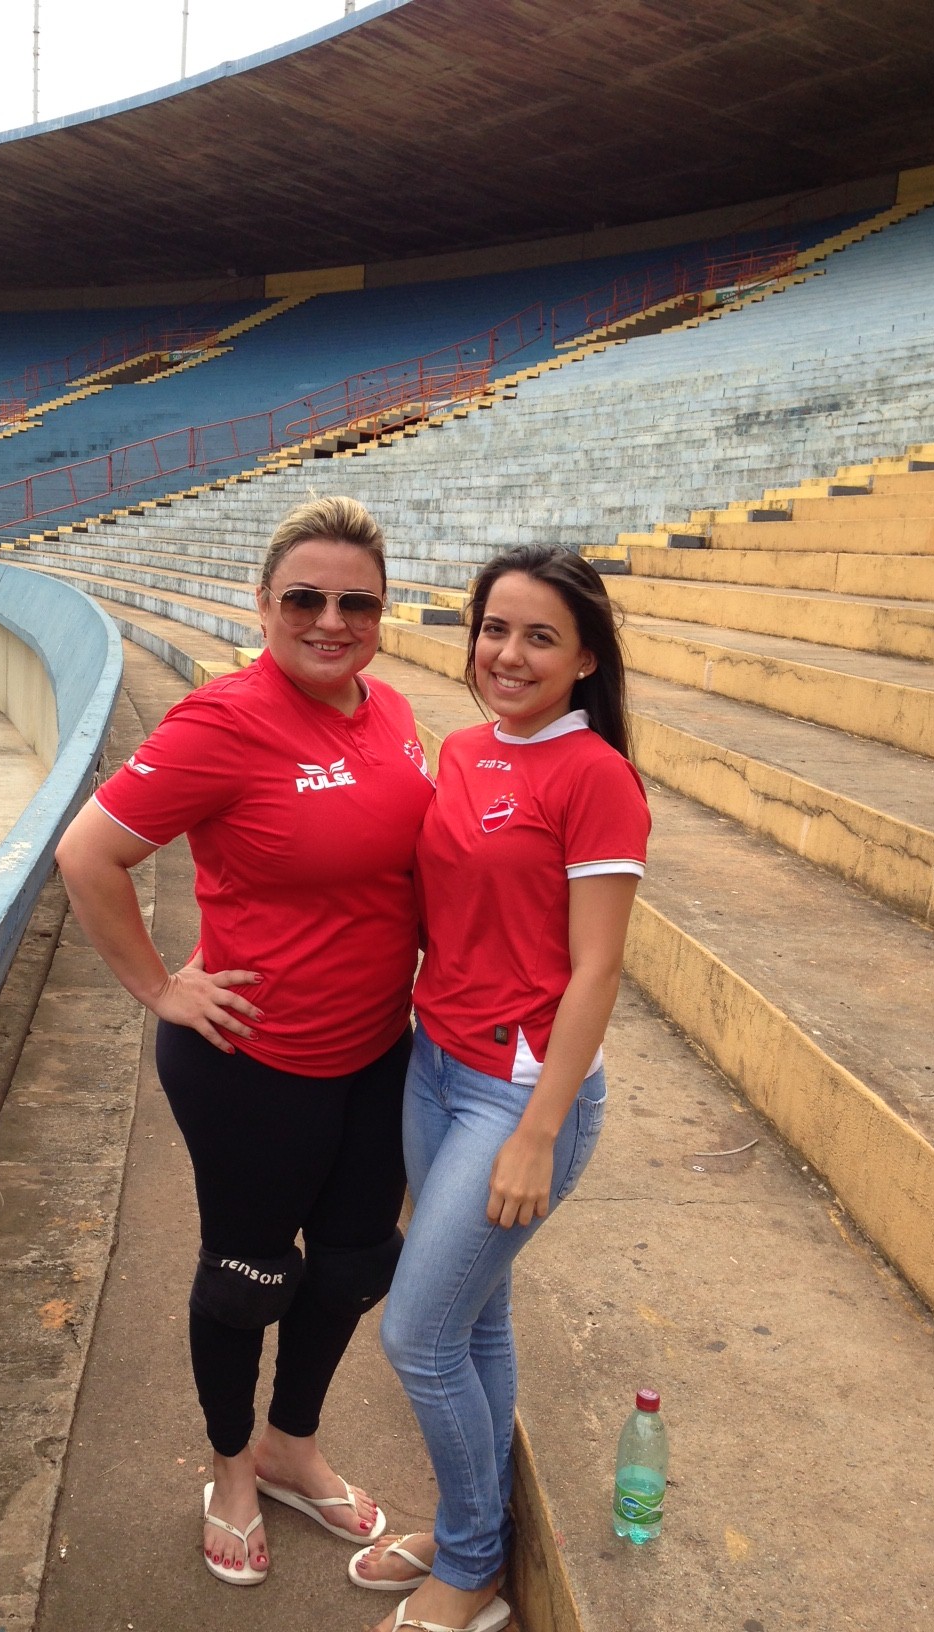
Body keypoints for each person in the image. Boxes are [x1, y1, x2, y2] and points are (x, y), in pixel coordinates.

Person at [54, 496, 435, 1588]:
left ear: (380, 613)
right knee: (246, 1279)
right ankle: (229, 1467)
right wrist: (159, 986)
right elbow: (89, 854)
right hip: (254, 1069)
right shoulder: (225, 721)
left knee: (356, 1265)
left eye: (355, 602)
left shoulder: (394, 709)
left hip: (375, 1053)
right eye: (305, 599)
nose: (331, 620)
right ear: (265, 605)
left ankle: (290, 1446)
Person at [351, 544, 651, 1632]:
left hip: (515, 1092)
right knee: (474, 1321)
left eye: (540, 637)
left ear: (583, 662)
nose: (508, 653)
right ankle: (471, 1522)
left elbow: (599, 970)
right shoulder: (466, 748)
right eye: (494, 629)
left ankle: (474, 1564)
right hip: (435, 1065)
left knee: (417, 1337)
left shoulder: (597, 778)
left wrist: (537, 1129)